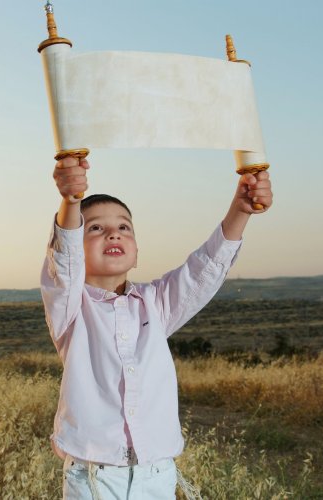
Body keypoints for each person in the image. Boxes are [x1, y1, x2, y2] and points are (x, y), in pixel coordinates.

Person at [40, 156, 273, 499]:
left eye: (124, 227)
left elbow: (203, 270)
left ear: (136, 251)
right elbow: (64, 261)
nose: (113, 233)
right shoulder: (69, 308)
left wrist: (241, 209)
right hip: (93, 476)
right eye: (95, 228)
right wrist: (71, 201)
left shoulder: (156, 303)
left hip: (157, 473)